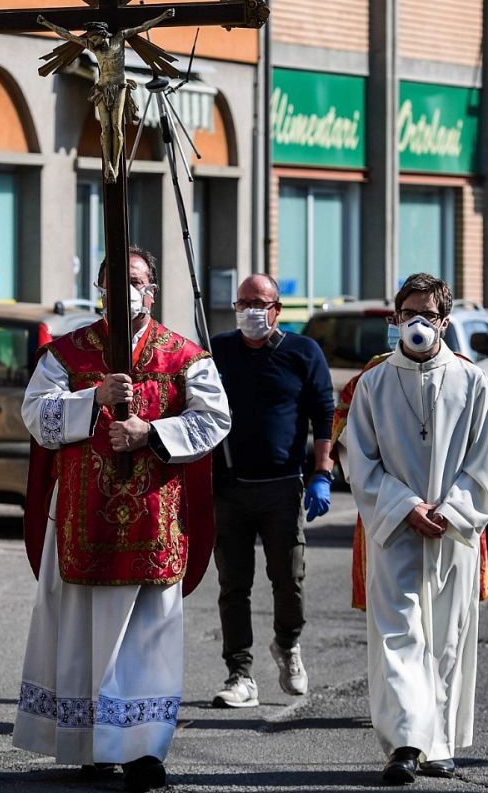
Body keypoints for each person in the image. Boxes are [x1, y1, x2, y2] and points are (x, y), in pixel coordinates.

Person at [14, 247, 231, 793]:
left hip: (154, 521)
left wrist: (151, 433)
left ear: (151, 290)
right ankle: (92, 743)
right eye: (115, 282)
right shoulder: (66, 353)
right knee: (84, 634)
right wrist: (93, 398)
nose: (125, 291)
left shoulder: (183, 355)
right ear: (99, 290)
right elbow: (36, 416)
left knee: (148, 639)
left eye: (135, 281)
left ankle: (144, 749)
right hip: (83, 519)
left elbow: (214, 418)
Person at [339, 274, 488, 785]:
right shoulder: (374, 384)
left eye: (427, 314)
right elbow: (358, 460)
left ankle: (439, 745)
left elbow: (486, 461)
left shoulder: (472, 381)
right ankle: (406, 744)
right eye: (408, 313)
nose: (417, 323)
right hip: (394, 529)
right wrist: (407, 506)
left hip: (453, 534)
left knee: (447, 638)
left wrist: (452, 511)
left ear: (444, 321)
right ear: (394, 319)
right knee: (399, 635)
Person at [207, 274, 335, 709]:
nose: (250, 311)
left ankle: (287, 643)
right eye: (243, 303)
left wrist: (322, 472)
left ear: (277, 309)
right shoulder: (219, 351)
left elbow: (324, 414)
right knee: (233, 584)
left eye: (259, 303)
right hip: (229, 487)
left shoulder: (303, 352)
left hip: (282, 487)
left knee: (288, 578)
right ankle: (239, 673)